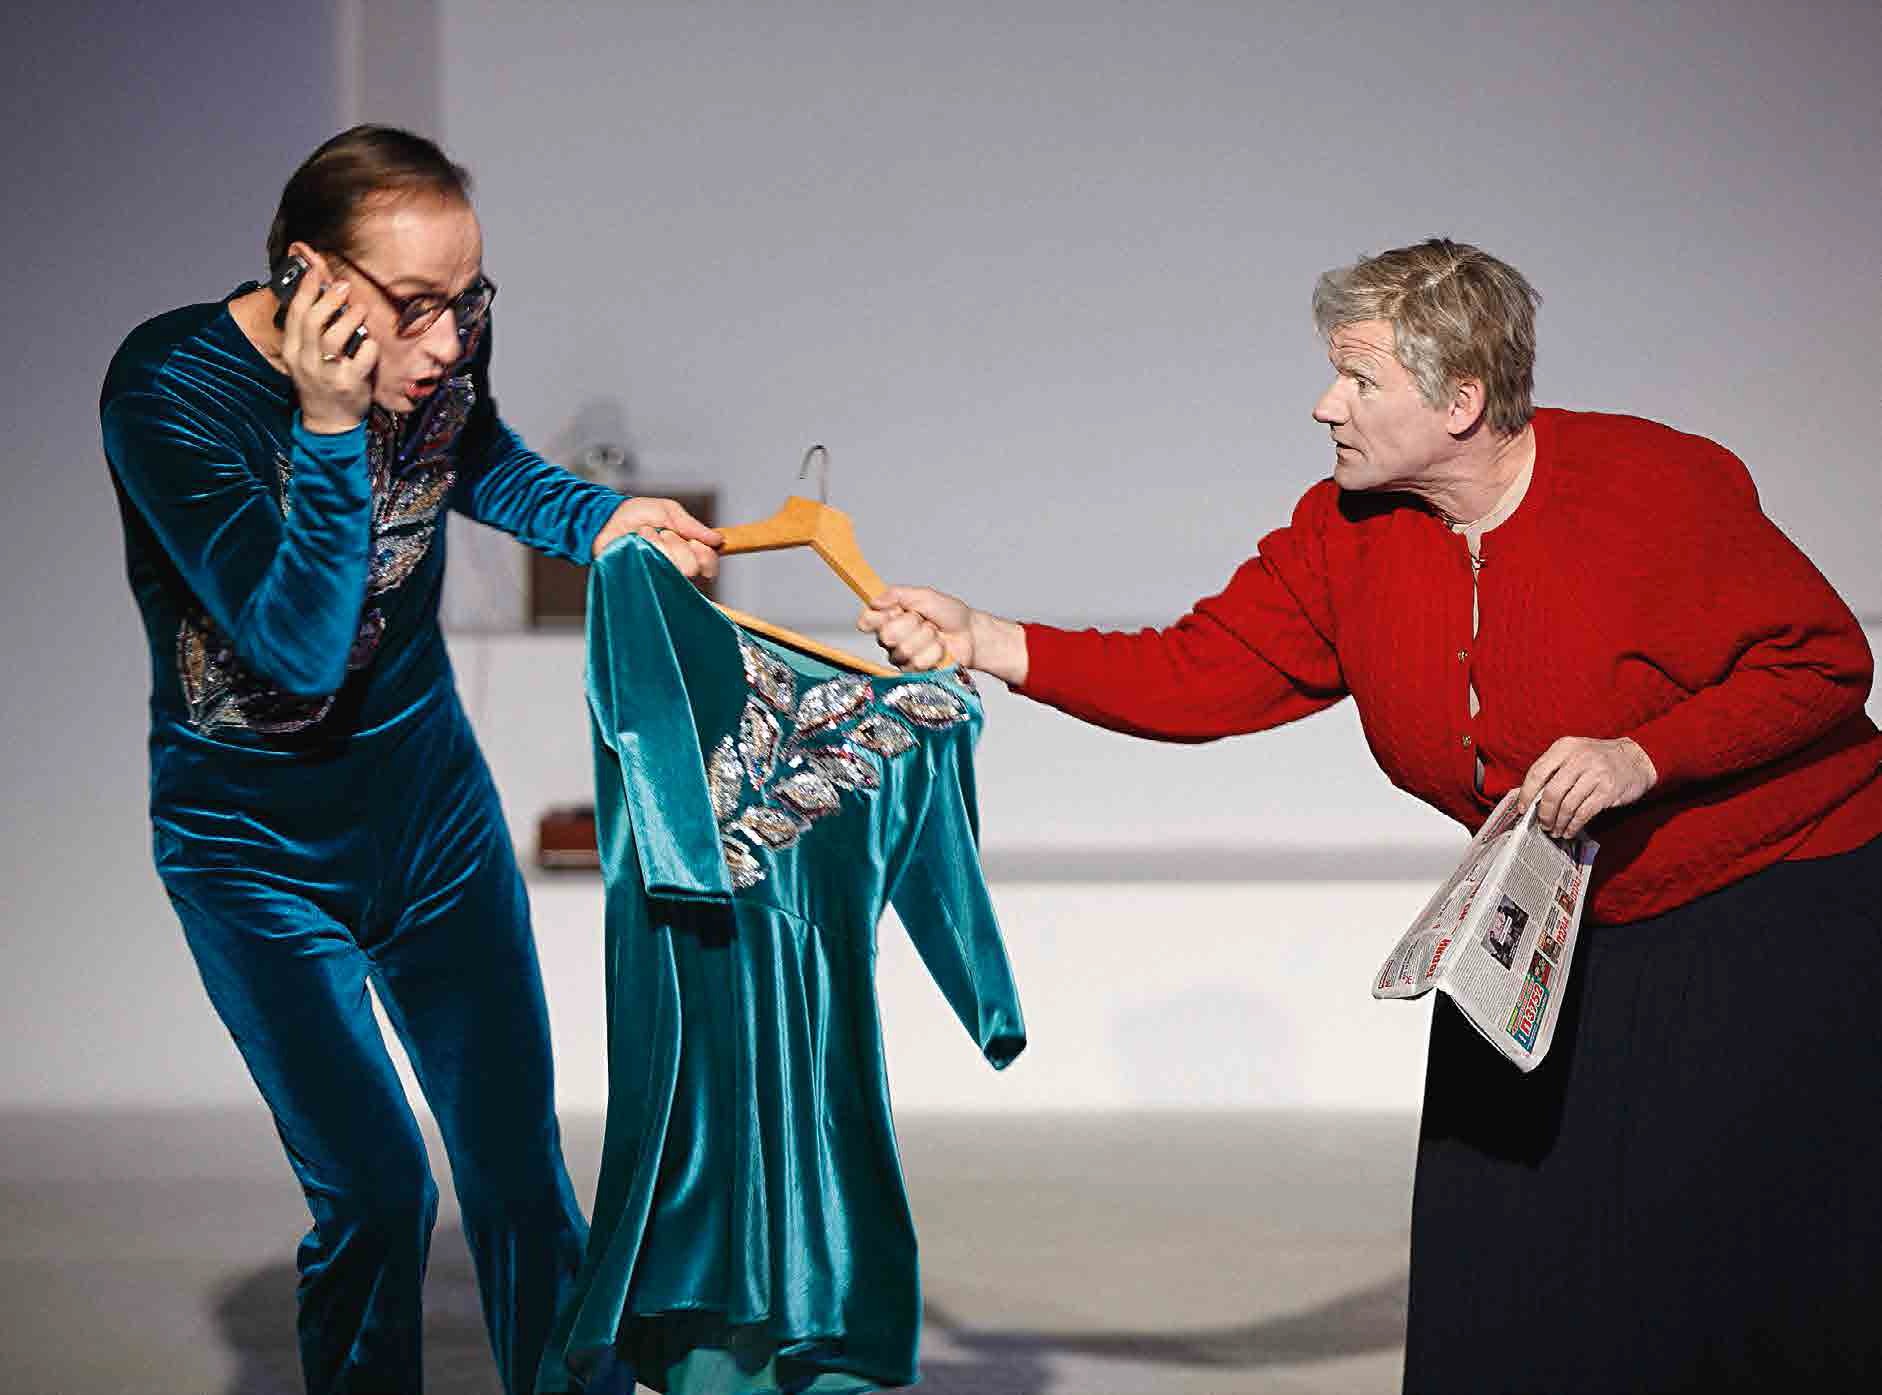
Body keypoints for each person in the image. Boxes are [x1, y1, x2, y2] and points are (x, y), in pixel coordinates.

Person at [859, 238, 1882, 1391]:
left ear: (1460, 402)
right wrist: (990, 640)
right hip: (1542, 922)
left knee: (1742, 1269)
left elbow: (1820, 664)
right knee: (1496, 1271)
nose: (1324, 405)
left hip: (1776, 902)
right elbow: (1200, 673)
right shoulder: (1342, 533)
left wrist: (1644, 754)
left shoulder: (1651, 487)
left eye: (1358, 379)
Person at [100, 125, 719, 1395]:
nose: (448, 344)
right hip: (253, 855)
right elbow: (298, 646)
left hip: (431, 817)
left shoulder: (437, 352)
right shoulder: (169, 391)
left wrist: (599, 518)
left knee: (516, 1164)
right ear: (307, 278)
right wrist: (329, 430)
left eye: (470, 301)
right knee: (378, 1190)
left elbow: (470, 454)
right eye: (418, 307)